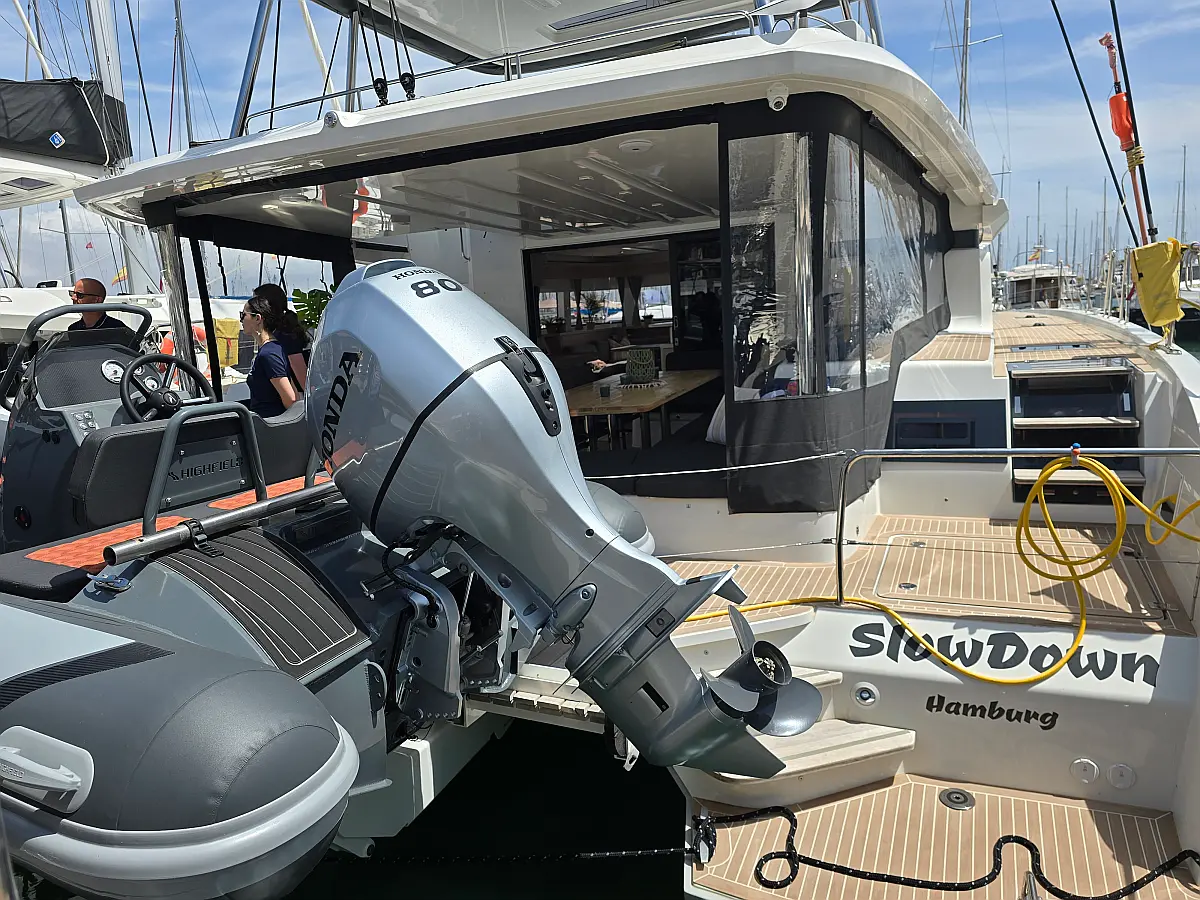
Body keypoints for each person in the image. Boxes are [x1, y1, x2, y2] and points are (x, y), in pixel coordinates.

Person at [239, 295, 299, 418]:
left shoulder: (268, 354)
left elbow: (292, 399)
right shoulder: (275, 348)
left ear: (257, 318)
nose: (241, 320)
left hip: (269, 423)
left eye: (243, 315)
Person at [251, 283, 310, 389]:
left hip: (294, 396)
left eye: (255, 303)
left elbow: (302, 376)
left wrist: (309, 396)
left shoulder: (285, 335)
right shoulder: (275, 333)